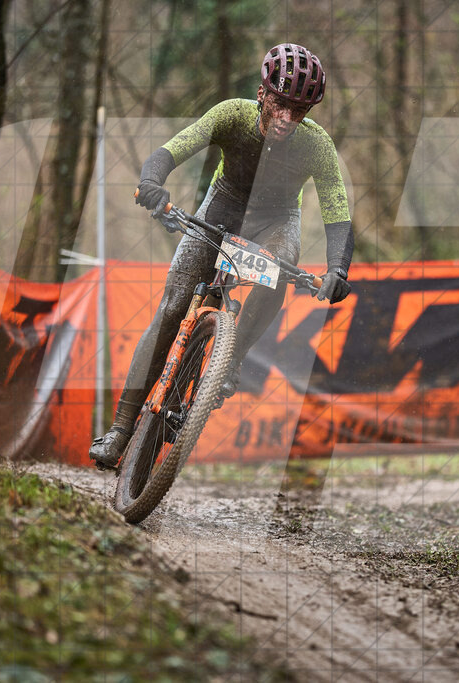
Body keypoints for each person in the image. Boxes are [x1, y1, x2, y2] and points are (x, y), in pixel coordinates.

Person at [90, 43, 354, 470]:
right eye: (280, 103)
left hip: (276, 220)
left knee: (279, 267)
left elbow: (337, 213)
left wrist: (338, 268)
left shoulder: (316, 145)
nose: (287, 118)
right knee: (172, 309)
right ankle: (120, 430)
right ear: (262, 93)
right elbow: (174, 149)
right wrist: (152, 181)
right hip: (222, 207)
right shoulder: (233, 114)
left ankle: (231, 357)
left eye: (299, 110)